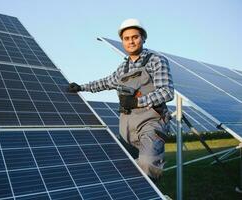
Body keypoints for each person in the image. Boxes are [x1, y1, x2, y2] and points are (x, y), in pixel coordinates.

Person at [68, 18, 174, 180]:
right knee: (125, 169)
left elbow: (167, 92)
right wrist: (82, 87)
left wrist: (138, 102)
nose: (131, 41)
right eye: (126, 38)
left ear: (143, 38)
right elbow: (105, 82)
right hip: (126, 126)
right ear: (122, 41)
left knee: (147, 164)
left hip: (151, 124)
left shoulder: (156, 61)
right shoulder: (122, 68)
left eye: (135, 37)